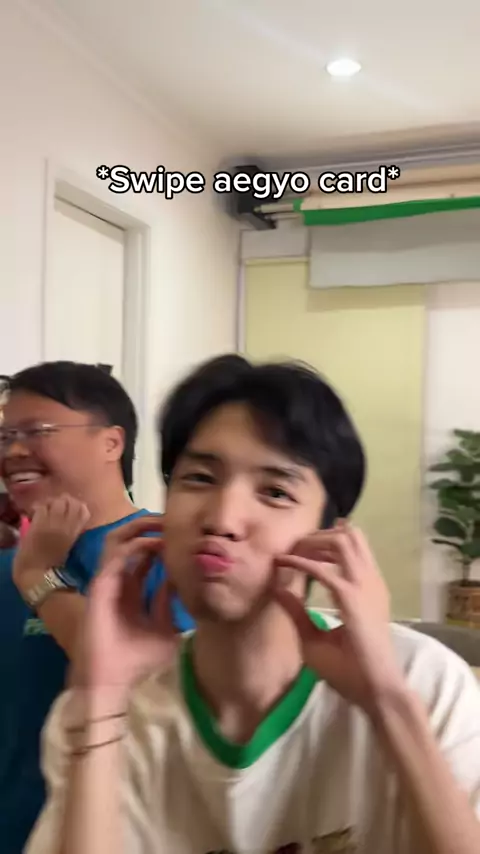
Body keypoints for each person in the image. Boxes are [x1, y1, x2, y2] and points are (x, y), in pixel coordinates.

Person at [27, 354, 480, 854]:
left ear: (330, 536)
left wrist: (388, 703)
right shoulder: (108, 709)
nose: (222, 518)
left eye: (275, 491)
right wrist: (102, 699)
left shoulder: (424, 682)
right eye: (200, 479)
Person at [0, 361, 194, 854]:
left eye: (37, 431)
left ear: (111, 442)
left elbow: (161, 694)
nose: (14, 451)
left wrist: (42, 577)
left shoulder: (169, 551)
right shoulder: (8, 564)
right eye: (5, 437)